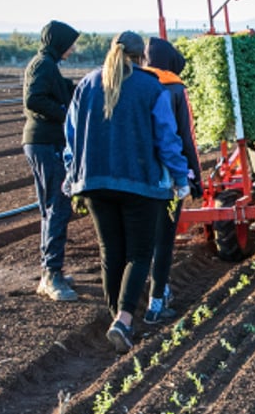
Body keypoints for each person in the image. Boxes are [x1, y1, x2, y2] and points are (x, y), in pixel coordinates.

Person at [63, 31, 191, 353]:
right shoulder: (150, 86)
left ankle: (116, 320)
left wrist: (72, 173)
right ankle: (123, 320)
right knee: (139, 254)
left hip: (94, 183)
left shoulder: (88, 84)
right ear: (141, 58)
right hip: (139, 182)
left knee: (111, 253)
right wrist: (180, 176)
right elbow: (167, 136)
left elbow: (71, 136)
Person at [142, 37, 202, 324]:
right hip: (167, 175)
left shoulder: (135, 85)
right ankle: (159, 295)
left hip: (137, 175)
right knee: (164, 237)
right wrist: (195, 177)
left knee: (140, 238)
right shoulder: (175, 88)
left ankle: (126, 307)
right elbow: (185, 137)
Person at [22, 20, 80, 302]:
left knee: (51, 207)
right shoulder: (42, 65)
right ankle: (51, 276)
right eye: (71, 43)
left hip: (44, 142)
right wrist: (64, 114)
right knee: (57, 206)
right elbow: (34, 99)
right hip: (45, 142)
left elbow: (59, 91)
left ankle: (50, 269)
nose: (73, 48)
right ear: (59, 42)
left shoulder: (47, 65)